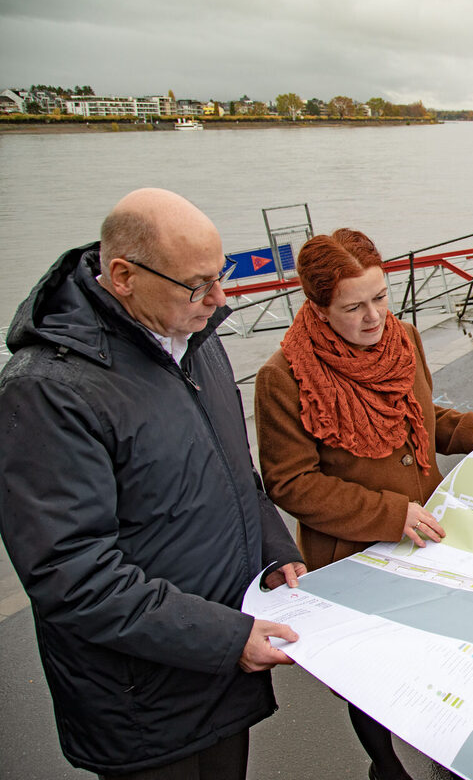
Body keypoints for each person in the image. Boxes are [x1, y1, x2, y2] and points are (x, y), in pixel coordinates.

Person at [0, 189, 305, 779]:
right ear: (123, 276)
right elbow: (73, 575)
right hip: (140, 700)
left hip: (217, 669)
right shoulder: (47, 390)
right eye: (198, 285)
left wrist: (274, 552)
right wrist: (226, 638)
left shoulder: (195, 337)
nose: (219, 300)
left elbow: (231, 473)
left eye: (222, 276)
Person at [254, 228, 473, 780]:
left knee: (444, 654)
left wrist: (470, 427)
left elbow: (420, 419)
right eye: (353, 306)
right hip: (354, 553)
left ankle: (448, 751)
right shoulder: (282, 378)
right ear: (317, 307)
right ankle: (384, 765)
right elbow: (291, 484)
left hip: (428, 538)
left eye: (380, 297)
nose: (373, 318)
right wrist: (392, 514)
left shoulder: (404, 338)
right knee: (374, 674)